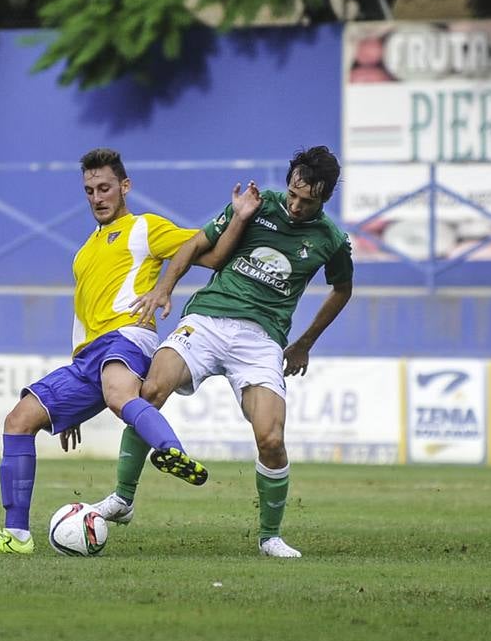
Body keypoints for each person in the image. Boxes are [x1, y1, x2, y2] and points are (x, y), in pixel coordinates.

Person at [0, 147, 259, 555]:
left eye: (104, 188)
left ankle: (170, 450)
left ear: (125, 186)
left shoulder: (144, 227)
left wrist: (238, 217)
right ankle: (15, 536)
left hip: (129, 335)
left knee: (119, 394)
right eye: (89, 191)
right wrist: (69, 405)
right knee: (18, 420)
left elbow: (210, 254)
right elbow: (83, 320)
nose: (97, 197)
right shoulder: (84, 253)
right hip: (87, 357)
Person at [92, 145, 354, 559]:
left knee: (271, 438)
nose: (295, 206)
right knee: (151, 391)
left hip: (261, 340)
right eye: (292, 194)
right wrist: (163, 289)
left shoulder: (332, 240)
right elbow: (195, 244)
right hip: (208, 320)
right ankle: (123, 498)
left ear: (325, 197)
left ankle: (270, 537)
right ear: (288, 183)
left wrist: (305, 343)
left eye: (307, 201)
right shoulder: (257, 204)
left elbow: (342, 289)